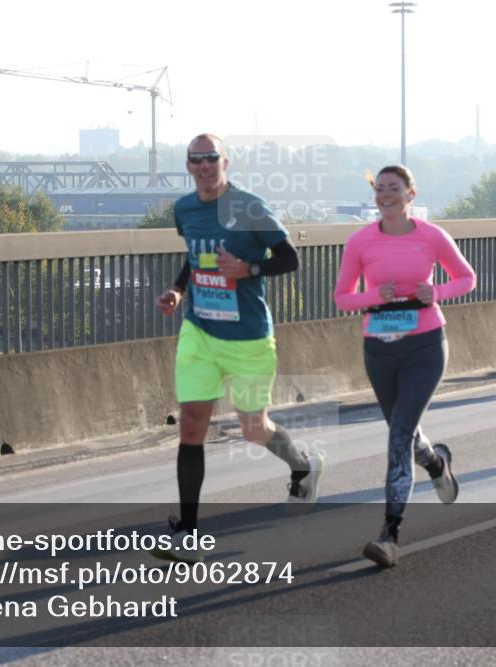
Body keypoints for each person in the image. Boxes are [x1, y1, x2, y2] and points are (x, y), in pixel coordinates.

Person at [150, 133, 325, 563]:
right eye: (197, 160)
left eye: (212, 158)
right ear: (188, 166)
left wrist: (248, 268)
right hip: (200, 331)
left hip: (247, 336)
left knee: (252, 428)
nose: (205, 166)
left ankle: (302, 464)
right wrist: (176, 290)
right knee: (192, 425)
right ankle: (188, 535)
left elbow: (289, 258)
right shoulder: (185, 209)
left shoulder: (248, 206)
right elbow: (195, 257)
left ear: (226, 162)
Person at [333, 165, 476, 568]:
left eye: (394, 188)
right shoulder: (360, 241)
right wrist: (375, 294)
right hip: (379, 348)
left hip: (425, 346)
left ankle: (389, 535)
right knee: (404, 432)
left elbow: (466, 278)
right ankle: (435, 462)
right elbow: (343, 298)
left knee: (398, 436)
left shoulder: (431, 236)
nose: (385, 195)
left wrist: (438, 291)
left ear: (410, 194)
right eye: (379, 189)